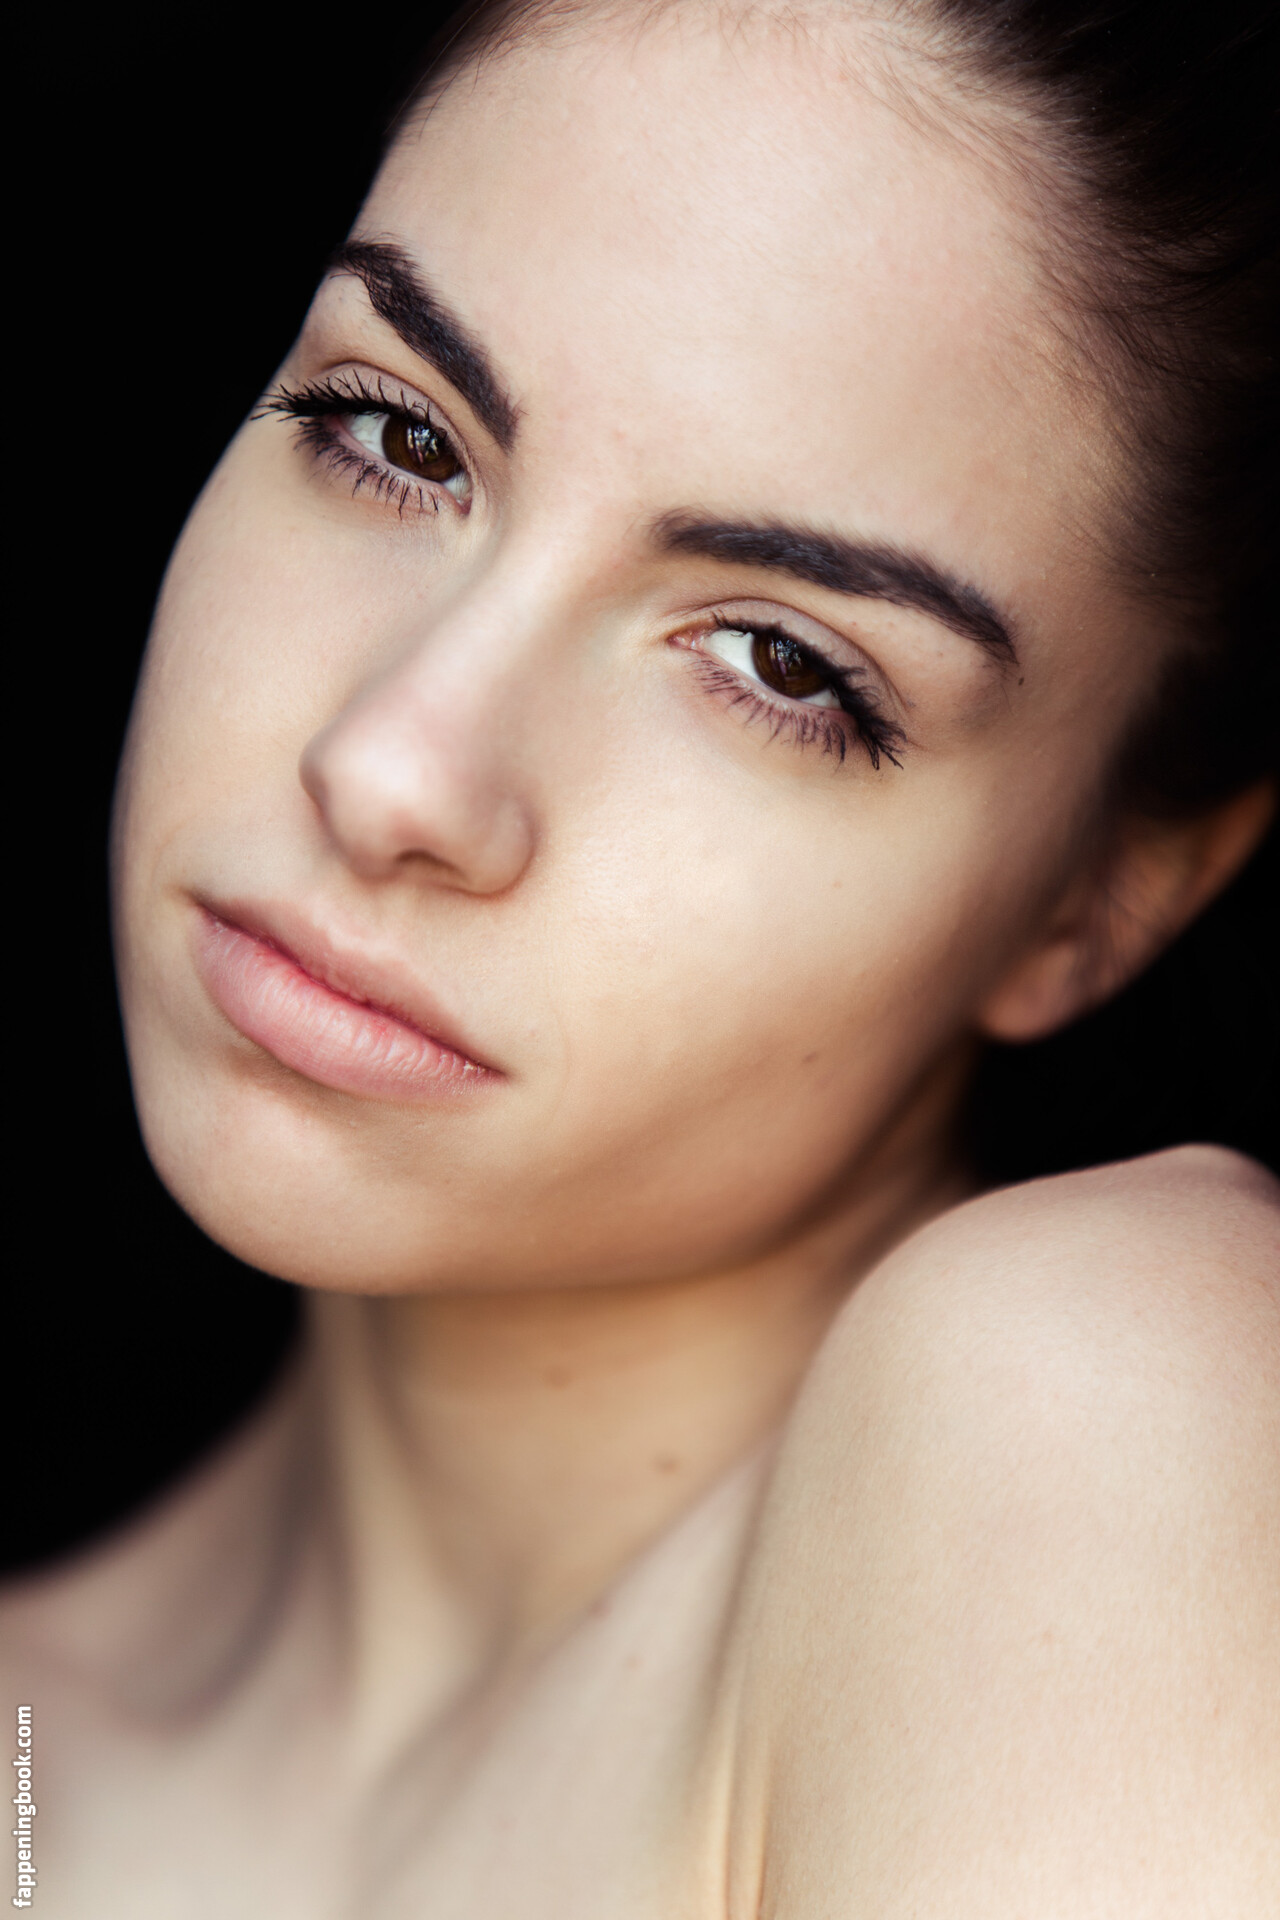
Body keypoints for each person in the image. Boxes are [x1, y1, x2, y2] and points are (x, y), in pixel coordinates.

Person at [4, 0, 1277, 1912]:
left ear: (1106, 892)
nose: (391, 768)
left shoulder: (1108, 1414)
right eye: (394, 435)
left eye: (779, 663)